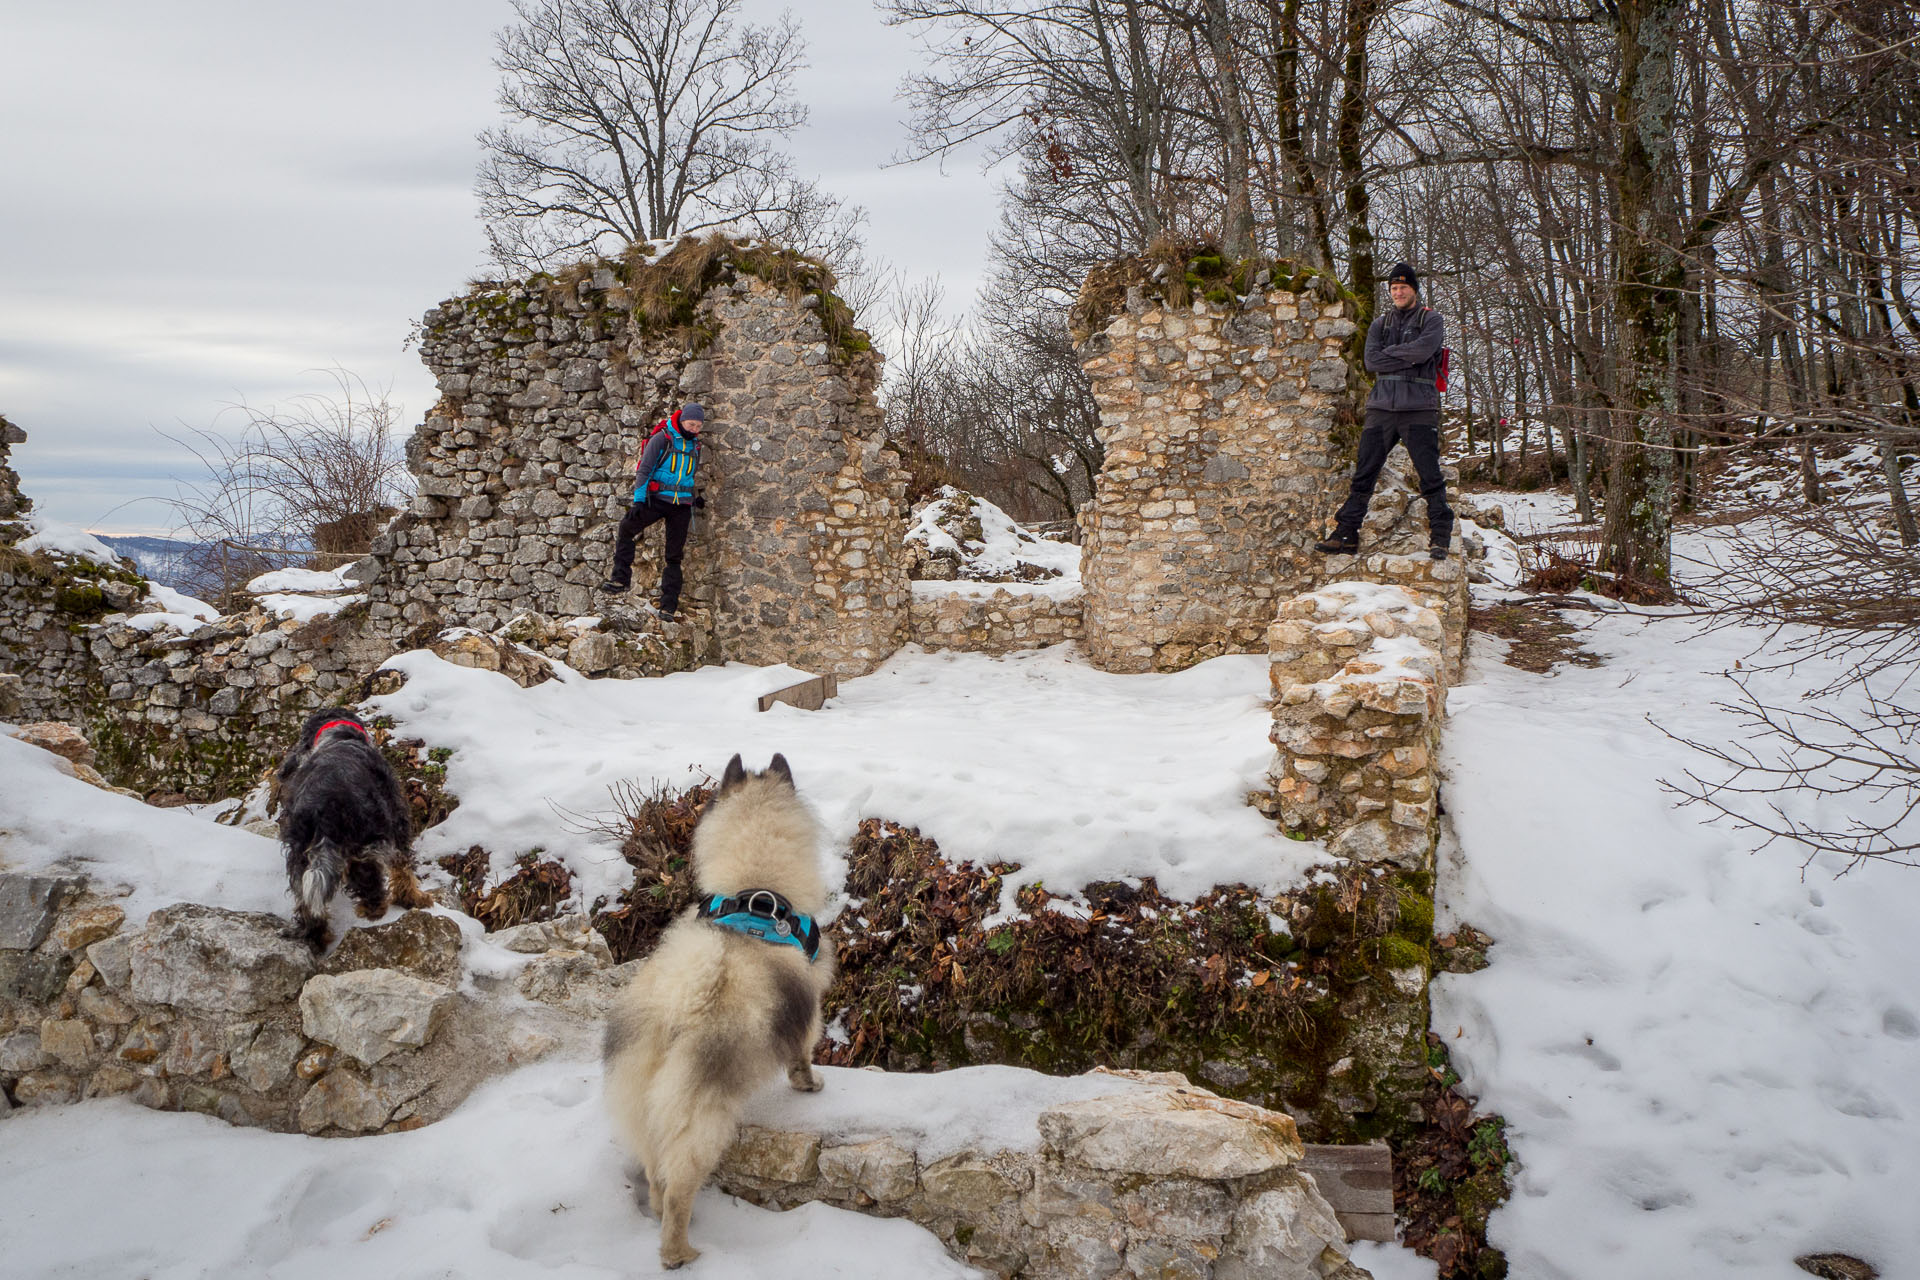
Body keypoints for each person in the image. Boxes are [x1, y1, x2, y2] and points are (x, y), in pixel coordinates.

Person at [1316, 262, 1455, 560]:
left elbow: (1421, 352)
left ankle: (1441, 537)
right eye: (1393, 288)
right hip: (1381, 408)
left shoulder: (1432, 320)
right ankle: (1346, 534)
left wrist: (1391, 355)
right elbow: (1372, 362)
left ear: (1414, 289)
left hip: (1418, 407)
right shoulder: (1380, 324)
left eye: (1403, 287)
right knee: (1363, 475)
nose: (1398, 292)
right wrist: (1405, 358)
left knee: (1429, 476)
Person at [600, 401, 705, 619]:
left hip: (681, 505)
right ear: (682, 420)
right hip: (656, 499)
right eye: (691, 424)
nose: (694, 429)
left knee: (674, 556)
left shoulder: (695, 447)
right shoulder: (662, 439)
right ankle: (620, 579)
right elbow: (644, 469)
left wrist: (696, 498)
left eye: (698, 426)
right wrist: (639, 500)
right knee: (627, 527)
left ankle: (668, 606)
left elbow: (688, 475)